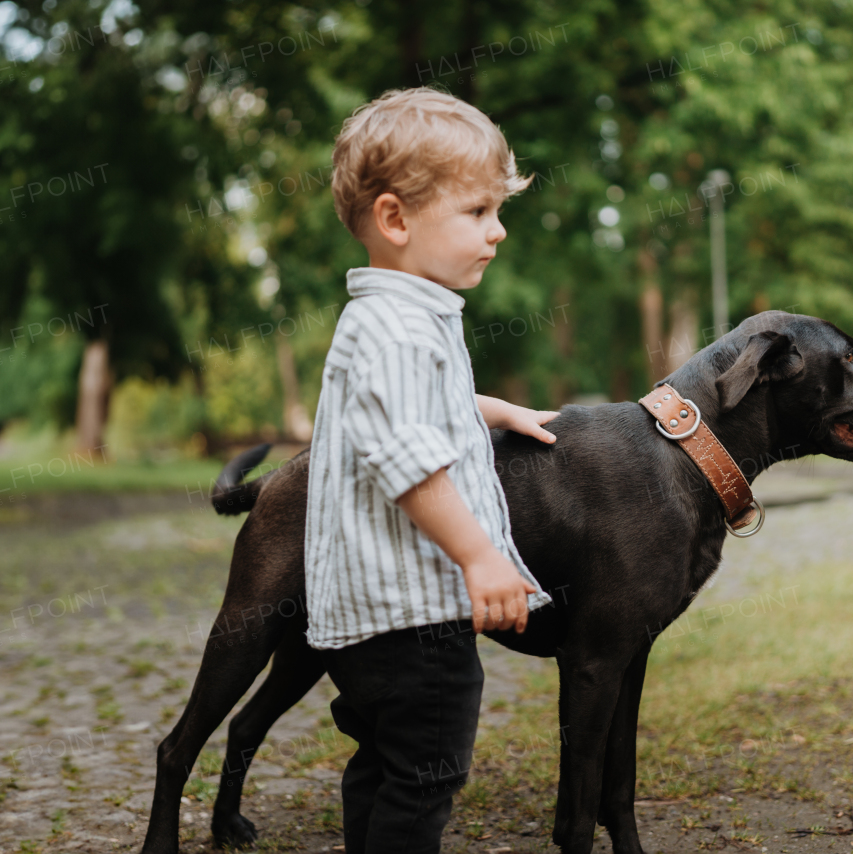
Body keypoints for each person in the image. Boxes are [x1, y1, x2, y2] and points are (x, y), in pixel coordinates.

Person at [303, 86, 558, 854]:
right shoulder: (401, 329)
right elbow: (404, 455)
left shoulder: (393, 317)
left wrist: (500, 412)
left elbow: (414, 409)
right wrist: (480, 556)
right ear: (395, 219)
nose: (499, 231)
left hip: (367, 620)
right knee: (426, 775)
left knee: (382, 767)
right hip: (411, 616)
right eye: (477, 212)